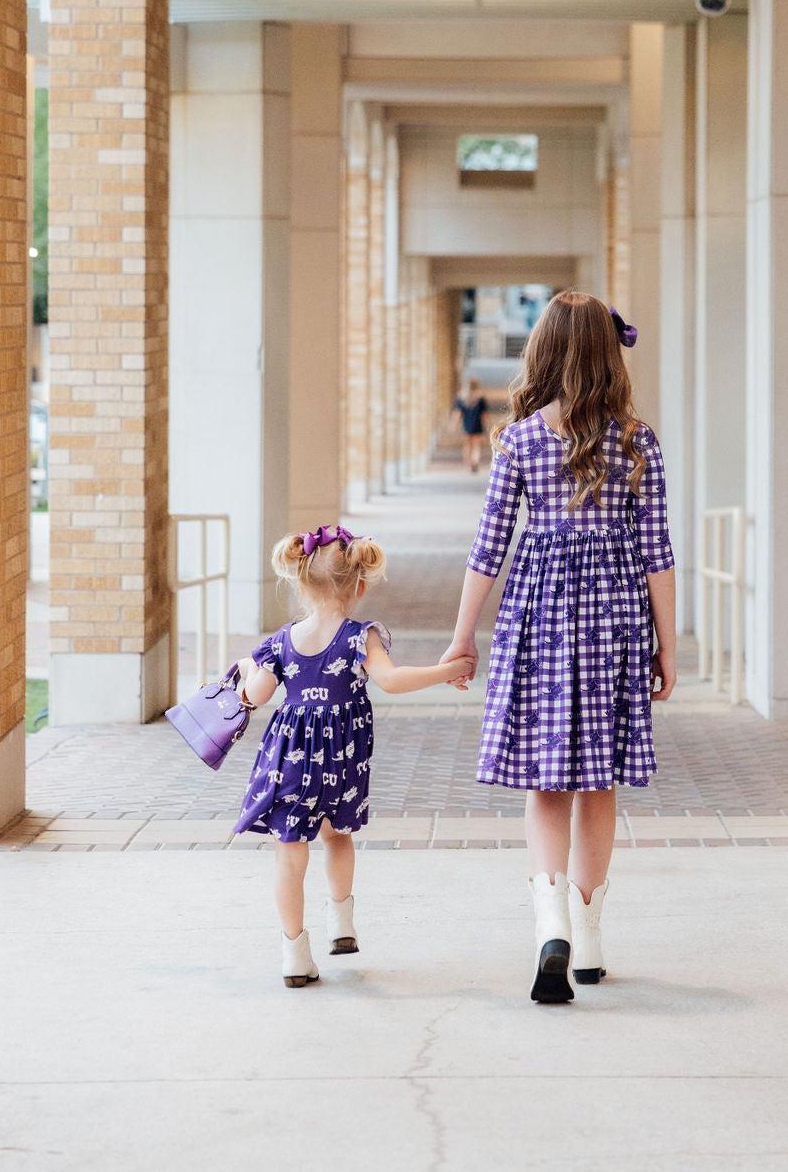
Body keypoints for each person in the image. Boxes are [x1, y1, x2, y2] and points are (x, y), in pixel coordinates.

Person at [439, 292, 677, 1003]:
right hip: (612, 619)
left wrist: (462, 635)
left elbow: (489, 548)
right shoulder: (638, 443)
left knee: (547, 781)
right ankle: (590, 936)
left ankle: (551, 926)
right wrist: (668, 645)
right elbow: (657, 553)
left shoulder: (517, 441)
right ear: (611, 356)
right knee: (596, 779)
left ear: (542, 353)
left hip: (538, 615)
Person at [233, 523, 474, 987]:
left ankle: (293, 953)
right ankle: (341, 924)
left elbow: (256, 695)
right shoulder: (360, 637)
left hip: (292, 761)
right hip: (342, 759)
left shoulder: (281, 642)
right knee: (337, 834)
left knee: (289, 853)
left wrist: (249, 669)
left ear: (300, 582)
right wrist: (446, 670)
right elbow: (392, 680)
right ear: (360, 584)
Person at [452, 378, 489, 472]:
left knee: (467, 445)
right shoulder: (480, 400)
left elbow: (458, 414)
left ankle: (469, 464)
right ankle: (475, 462)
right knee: (476, 445)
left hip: (466, 426)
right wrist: (488, 426)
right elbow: (484, 415)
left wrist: (454, 425)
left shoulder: (462, 400)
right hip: (477, 425)